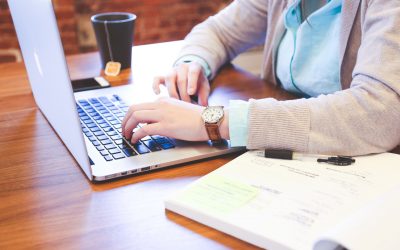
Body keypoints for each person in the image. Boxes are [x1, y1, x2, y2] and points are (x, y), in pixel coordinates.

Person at [122, 0, 400, 156]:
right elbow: (219, 31)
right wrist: (192, 63)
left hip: (364, 167)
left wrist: (215, 121)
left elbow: (380, 112)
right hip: (291, 156)